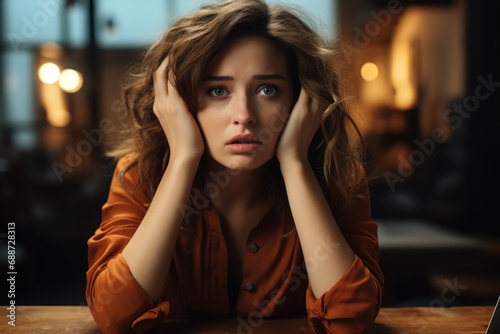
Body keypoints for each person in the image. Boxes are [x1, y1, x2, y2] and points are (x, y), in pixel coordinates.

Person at [85, 0, 384, 333]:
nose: (245, 114)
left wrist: (295, 163)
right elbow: (114, 315)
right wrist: (184, 156)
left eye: (268, 89)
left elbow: (350, 319)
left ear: (302, 101)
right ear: (178, 102)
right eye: (217, 90)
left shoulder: (339, 177)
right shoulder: (138, 176)